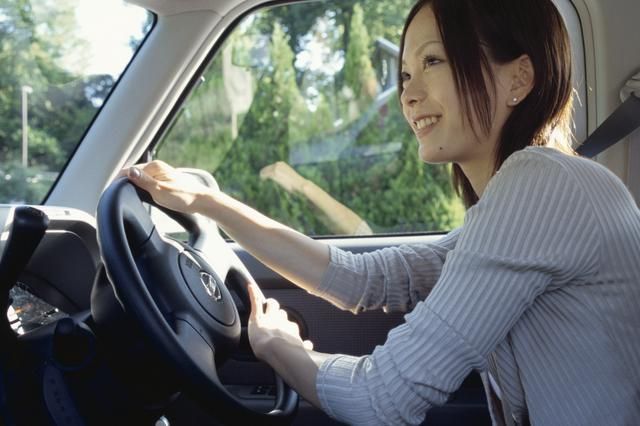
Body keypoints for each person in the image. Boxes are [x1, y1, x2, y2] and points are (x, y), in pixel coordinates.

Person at [124, 0, 640, 424]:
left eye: (433, 62)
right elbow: (362, 279)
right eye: (406, 73)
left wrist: (279, 347)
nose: (408, 94)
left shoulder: (542, 185)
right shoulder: (525, 199)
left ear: (519, 78)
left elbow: (383, 398)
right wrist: (207, 203)